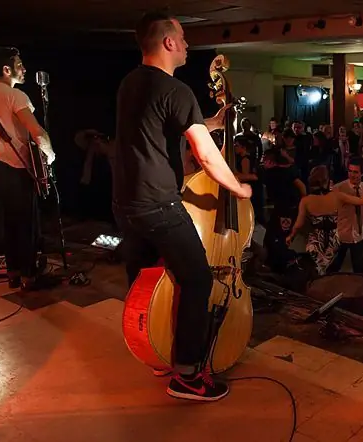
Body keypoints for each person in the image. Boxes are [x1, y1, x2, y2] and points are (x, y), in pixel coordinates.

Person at [111, 11, 251, 402]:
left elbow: (164, 123)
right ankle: (187, 376)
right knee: (197, 279)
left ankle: (157, 350)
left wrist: (210, 121)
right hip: (158, 203)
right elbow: (205, 156)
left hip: (126, 202)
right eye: (184, 38)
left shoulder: (132, 82)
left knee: (148, 281)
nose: (188, 44)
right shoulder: (177, 90)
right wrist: (238, 188)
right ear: (169, 43)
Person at [0, 46, 57, 290]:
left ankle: (13, 273)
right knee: (28, 224)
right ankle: (30, 278)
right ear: (6, 69)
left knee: (11, 223)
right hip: (16, 166)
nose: (24, 69)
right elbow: (37, 132)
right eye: (20, 65)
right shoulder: (16, 96)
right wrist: (50, 156)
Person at [286, 165, 363, 274]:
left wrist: (290, 236)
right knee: (335, 266)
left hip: (315, 241)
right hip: (334, 240)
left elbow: (298, 224)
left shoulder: (306, 201)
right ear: (328, 181)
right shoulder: (338, 196)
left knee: (320, 271)